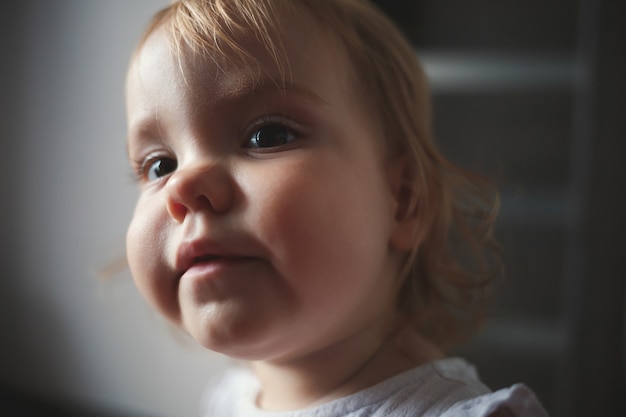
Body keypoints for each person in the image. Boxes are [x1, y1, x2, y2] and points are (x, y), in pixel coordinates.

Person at [124, 0, 549, 416]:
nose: (182, 186)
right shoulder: (225, 399)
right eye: (160, 165)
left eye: (267, 136)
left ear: (402, 200)